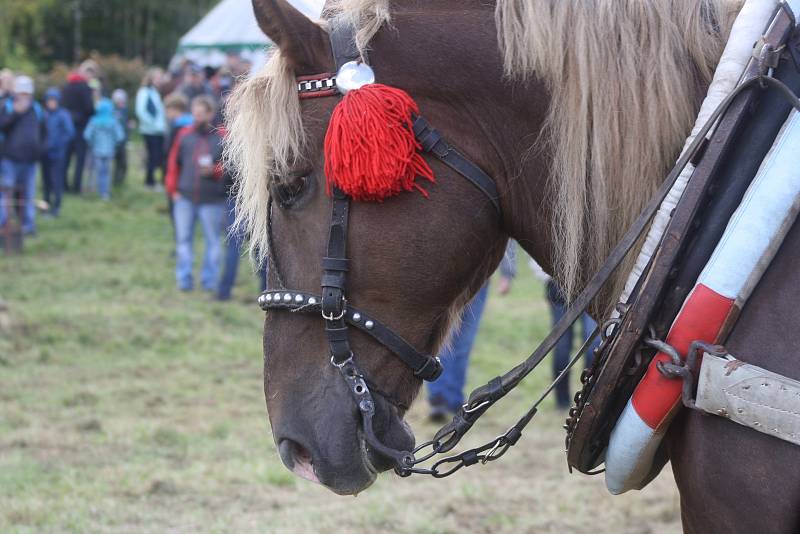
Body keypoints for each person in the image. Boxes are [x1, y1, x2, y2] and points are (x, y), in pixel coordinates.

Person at [427, 242, 517, 421]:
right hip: (445, 274)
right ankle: (439, 397)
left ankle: (453, 399)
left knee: (463, 343)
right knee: (442, 340)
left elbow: (508, 233)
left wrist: (507, 272)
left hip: (479, 278)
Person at [165, 95, 226, 292]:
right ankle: (184, 280)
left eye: (201, 114)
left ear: (210, 114)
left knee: (213, 242)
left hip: (212, 199)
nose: (197, 118)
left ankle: (209, 281)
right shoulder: (184, 134)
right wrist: (172, 190)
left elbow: (232, 166)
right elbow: (174, 163)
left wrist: (216, 171)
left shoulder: (222, 137)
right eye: (195, 114)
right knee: (183, 240)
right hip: (185, 197)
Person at [528, 260, 602, 409]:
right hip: (562, 284)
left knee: (593, 347)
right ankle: (564, 402)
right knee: (564, 348)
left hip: (594, 283)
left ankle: (587, 399)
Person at [0, 76, 46, 235]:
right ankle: (3, 226)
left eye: (27, 93)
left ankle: (28, 226)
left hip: (31, 160)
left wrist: (40, 149)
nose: (25, 97)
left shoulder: (36, 108)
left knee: (28, 194)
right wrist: (16, 113)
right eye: (22, 93)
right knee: (7, 194)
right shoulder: (8, 106)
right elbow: (2, 126)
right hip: (10, 159)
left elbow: (43, 130)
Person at [61, 65, 95, 193]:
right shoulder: (84, 87)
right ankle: (76, 187)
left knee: (66, 158)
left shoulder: (67, 86)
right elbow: (89, 108)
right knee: (80, 160)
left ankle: (64, 185)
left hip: (67, 126)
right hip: (81, 127)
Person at [41, 88, 75, 216]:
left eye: (53, 100)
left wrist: (57, 145)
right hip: (45, 154)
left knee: (56, 181)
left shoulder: (63, 114)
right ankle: (45, 206)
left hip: (58, 154)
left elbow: (69, 133)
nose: (51, 103)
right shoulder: (44, 115)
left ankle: (56, 208)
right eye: (49, 100)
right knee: (46, 182)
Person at [83, 99, 124, 201]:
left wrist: (92, 143)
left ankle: (99, 189)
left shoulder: (93, 121)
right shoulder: (113, 121)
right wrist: (114, 143)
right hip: (109, 150)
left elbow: (87, 135)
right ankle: (105, 193)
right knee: (107, 172)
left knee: (99, 171)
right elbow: (120, 136)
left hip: (97, 150)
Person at [136, 69, 167, 190]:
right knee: (153, 156)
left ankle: (152, 181)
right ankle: (149, 182)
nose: (159, 80)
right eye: (157, 77)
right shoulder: (144, 92)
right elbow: (141, 111)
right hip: (150, 131)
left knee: (157, 156)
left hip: (158, 131)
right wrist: (153, 125)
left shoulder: (154, 92)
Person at [111, 89, 130, 186]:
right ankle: (114, 181)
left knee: (123, 162)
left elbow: (125, 125)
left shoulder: (124, 110)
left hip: (123, 140)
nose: (122, 102)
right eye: (120, 100)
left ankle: (119, 181)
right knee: (114, 161)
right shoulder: (112, 111)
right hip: (114, 141)